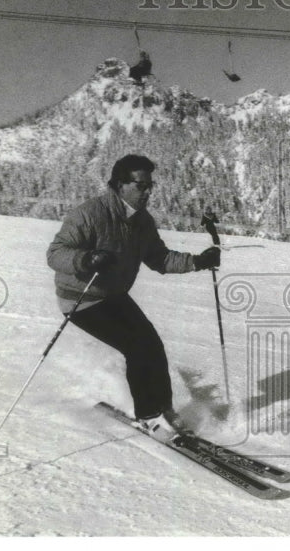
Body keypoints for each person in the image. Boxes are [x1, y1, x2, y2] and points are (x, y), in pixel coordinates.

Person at [46, 154, 221, 441]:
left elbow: (160, 258)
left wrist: (198, 261)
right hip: (81, 298)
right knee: (137, 346)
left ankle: (164, 409)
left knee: (152, 342)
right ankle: (149, 415)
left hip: (113, 294)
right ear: (119, 185)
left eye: (150, 185)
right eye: (141, 186)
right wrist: (86, 259)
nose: (148, 191)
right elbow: (55, 254)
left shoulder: (142, 222)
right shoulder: (90, 214)